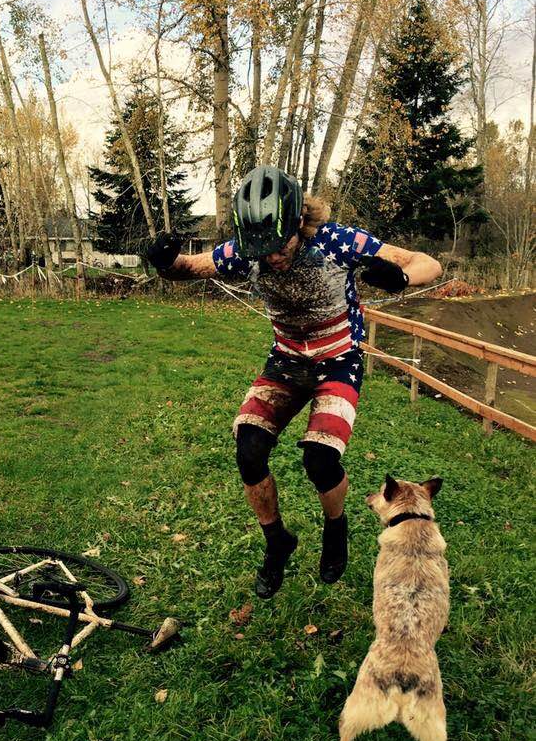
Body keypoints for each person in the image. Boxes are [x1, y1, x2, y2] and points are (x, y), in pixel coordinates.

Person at [146, 165, 442, 598]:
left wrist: (401, 277)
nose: (271, 258)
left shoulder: (337, 242)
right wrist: (165, 261)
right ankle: (277, 543)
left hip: (338, 361)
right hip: (286, 360)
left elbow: (426, 263)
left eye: (279, 245)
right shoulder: (247, 251)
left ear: (299, 223)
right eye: (261, 249)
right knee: (248, 447)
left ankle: (335, 530)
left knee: (319, 460)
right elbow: (191, 267)